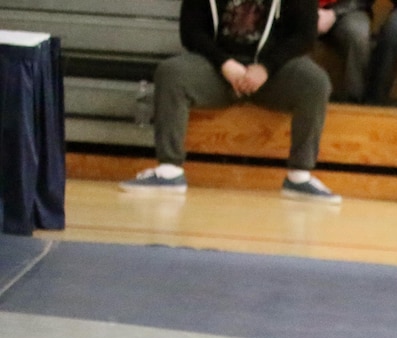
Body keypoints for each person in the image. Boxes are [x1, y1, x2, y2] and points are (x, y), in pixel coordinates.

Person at [119, 0, 342, 203]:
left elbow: (304, 36)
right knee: (171, 73)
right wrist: (224, 63)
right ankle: (169, 171)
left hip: (271, 73)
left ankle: (299, 176)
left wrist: (266, 68)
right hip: (218, 70)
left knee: (315, 82)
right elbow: (191, 32)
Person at [318, 0, 373, 103]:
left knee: (357, 34)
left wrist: (334, 12)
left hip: (348, 9)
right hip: (300, 8)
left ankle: (354, 105)